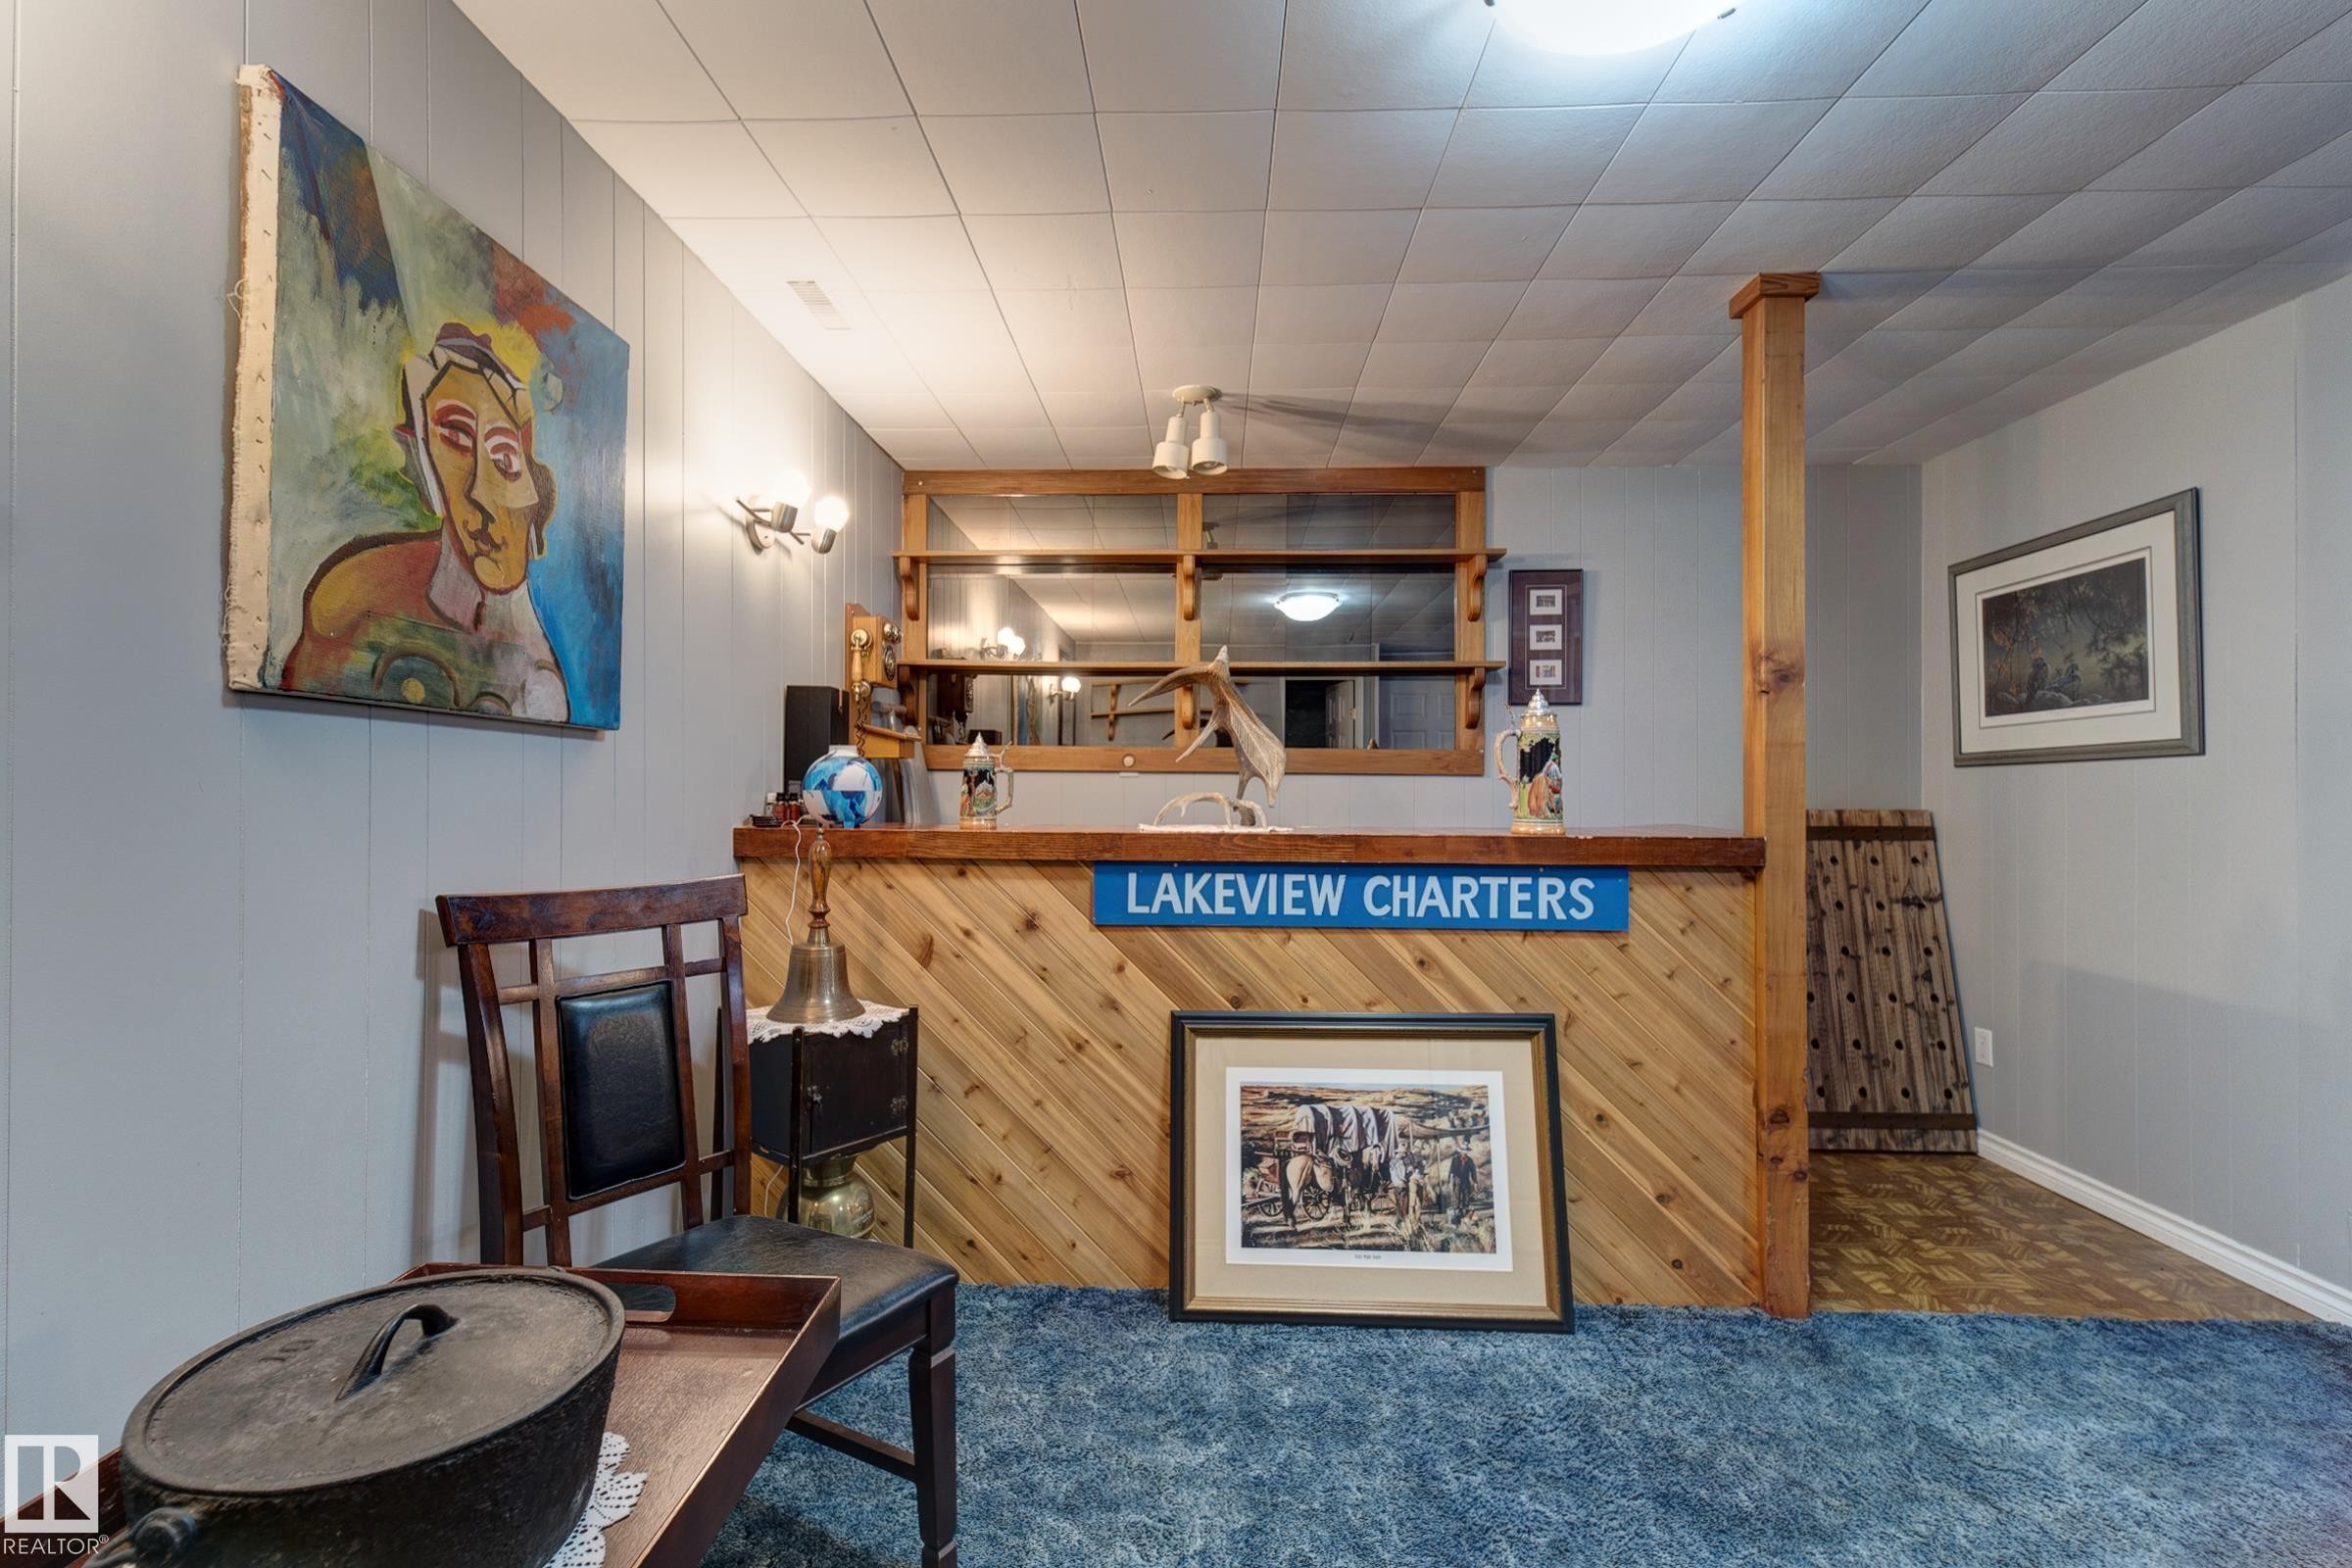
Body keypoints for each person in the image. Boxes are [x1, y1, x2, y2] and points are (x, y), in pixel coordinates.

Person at [283, 322, 568, 721]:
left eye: (505, 457)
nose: (481, 494)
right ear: (421, 460)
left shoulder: (536, 656)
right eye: (456, 438)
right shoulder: (353, 600)